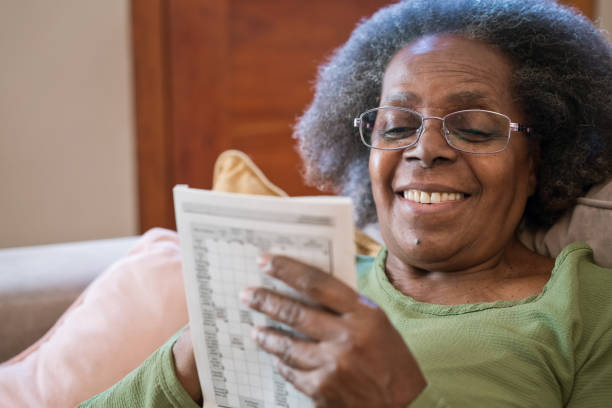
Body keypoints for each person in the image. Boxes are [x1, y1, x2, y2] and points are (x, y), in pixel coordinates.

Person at [81, 0, 612, 406]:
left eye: (473, 129)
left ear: (537, 161)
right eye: (398, 126)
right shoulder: (304, 279)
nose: (424, 149)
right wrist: (188, 362)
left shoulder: (589, 310)